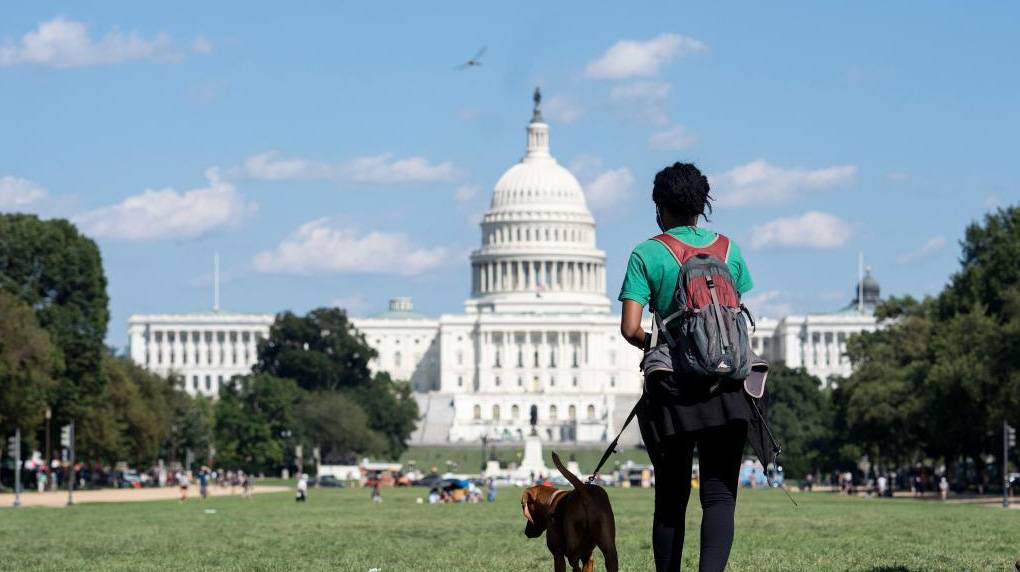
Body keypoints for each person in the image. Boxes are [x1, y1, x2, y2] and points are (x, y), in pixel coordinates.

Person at [618, 163, 755, 572]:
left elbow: (630, 328)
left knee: (671, 498)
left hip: (675, 390)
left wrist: (662, 345)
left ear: (659, 207)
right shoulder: (728, 249)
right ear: (702, 205)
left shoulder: (647, 252)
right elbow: (734, 317)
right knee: (718, 496)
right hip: (727, 389)